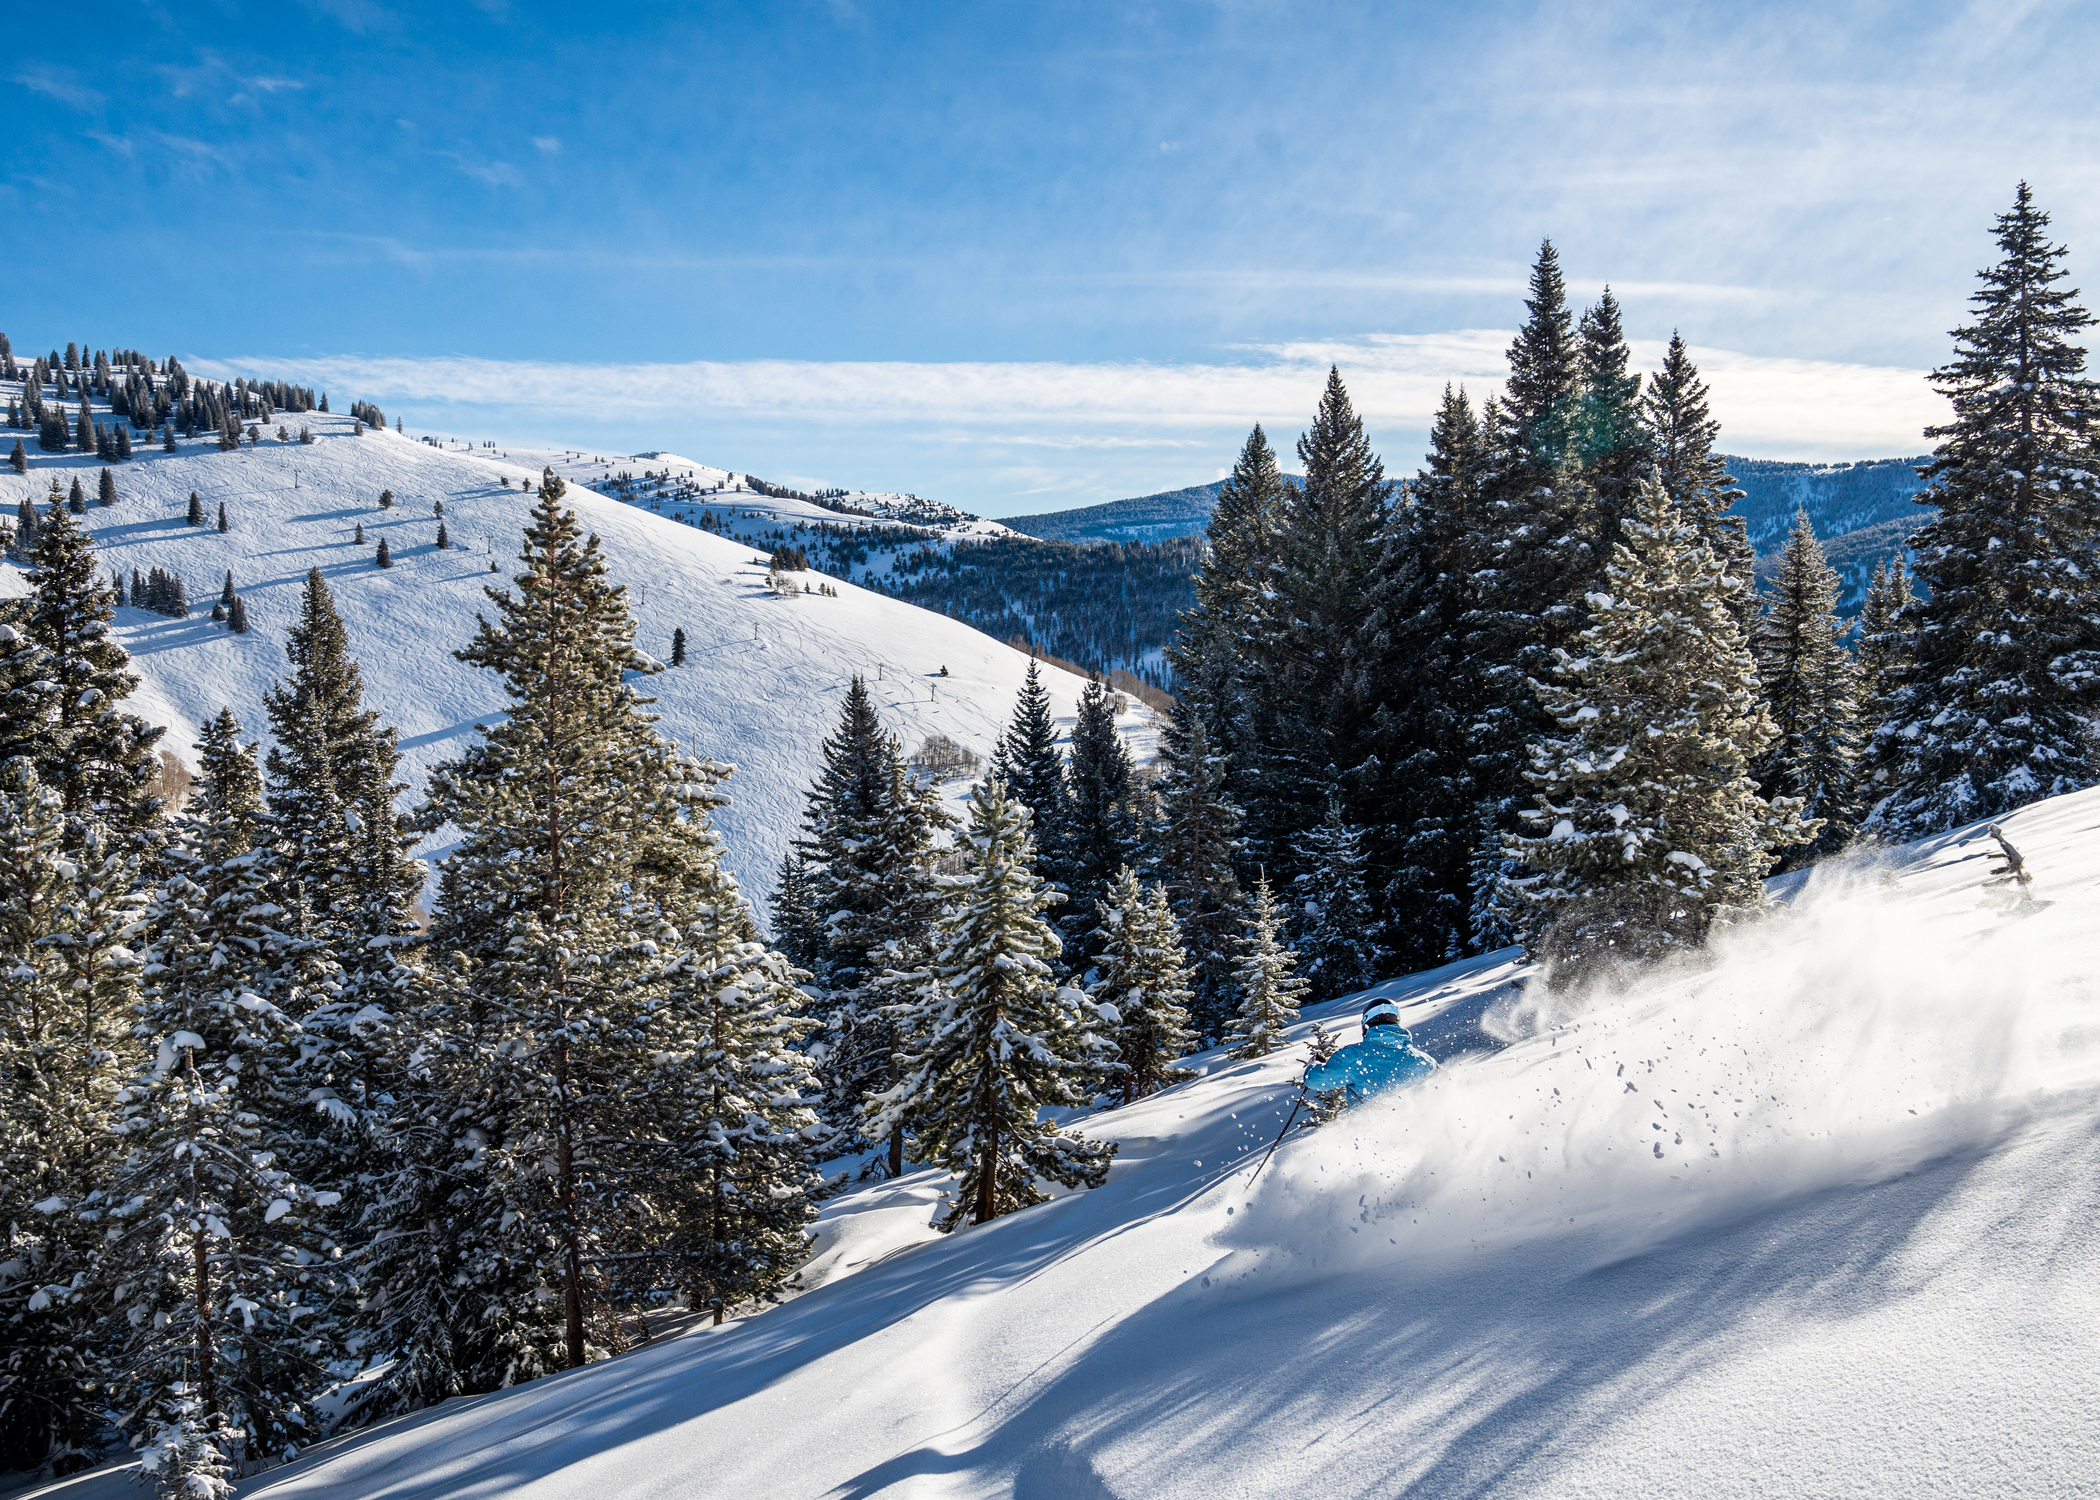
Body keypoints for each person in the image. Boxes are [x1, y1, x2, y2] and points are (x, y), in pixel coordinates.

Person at [1302, 999, 1436, 1107]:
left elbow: (1316, 1081)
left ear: (1366, 1022)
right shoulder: (1424, 1060)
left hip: (1369, 1127)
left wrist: (1314, 1065)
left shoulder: (1354, 1056)